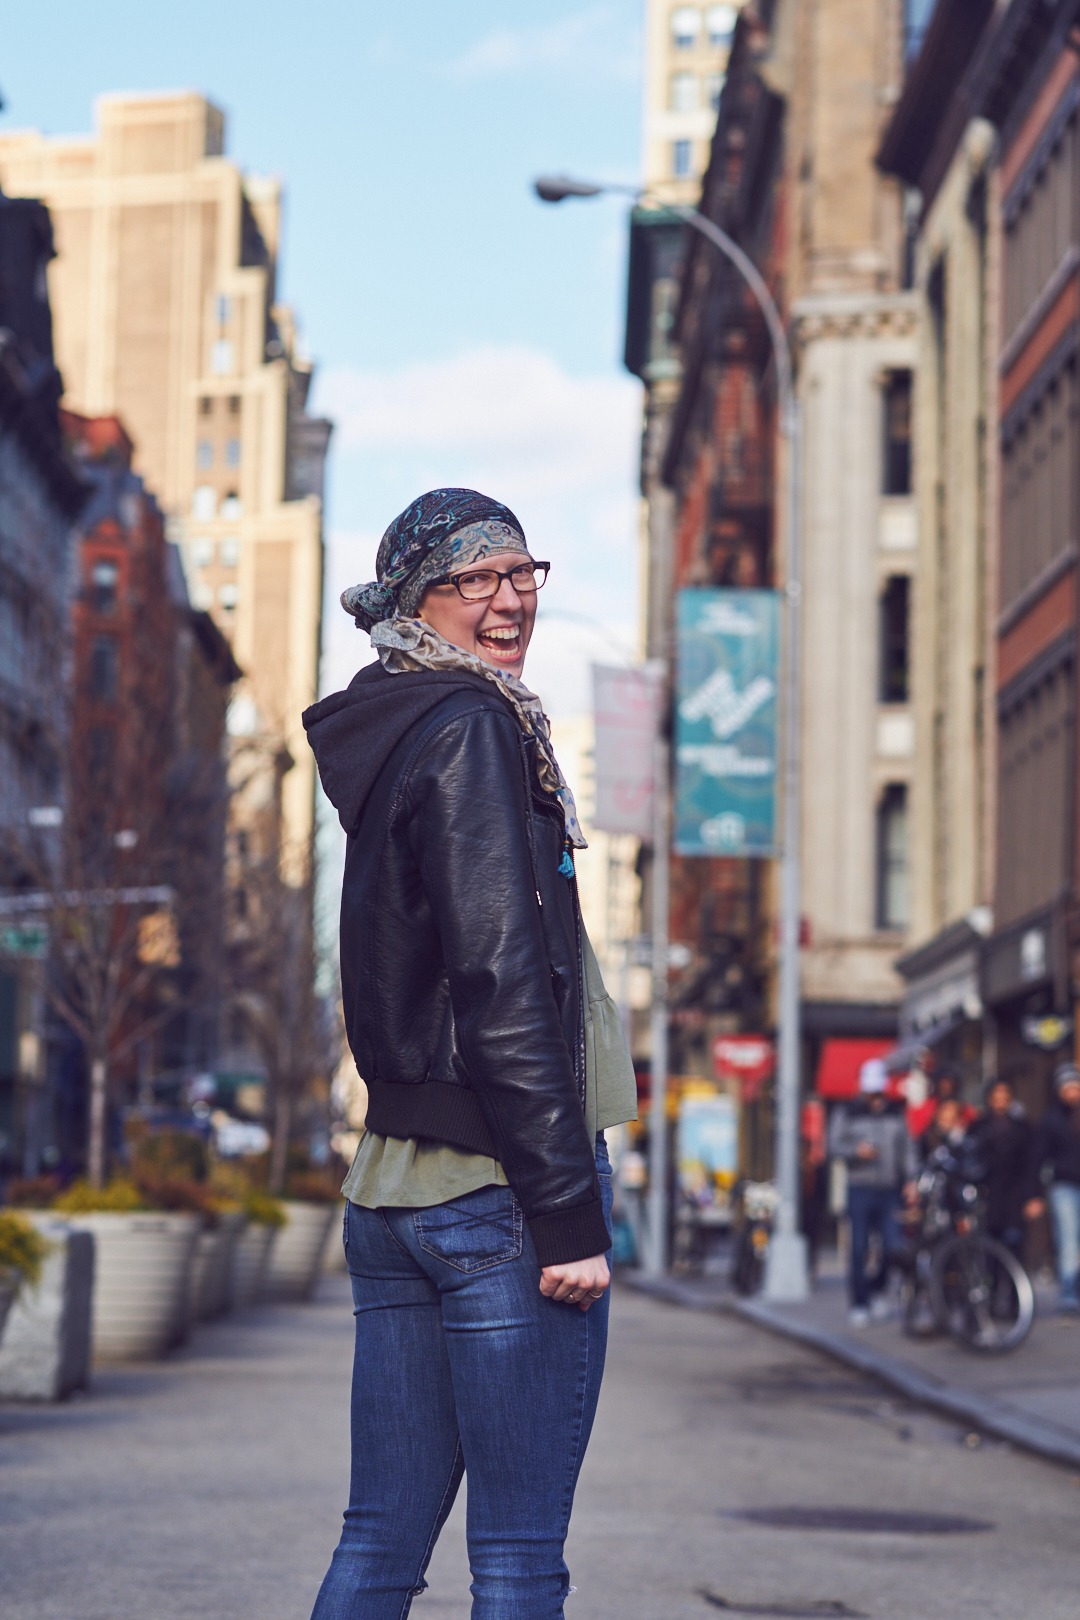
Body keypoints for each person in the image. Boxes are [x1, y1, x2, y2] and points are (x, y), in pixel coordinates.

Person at [302, 489, 638, 1619]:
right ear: (415, 602)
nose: (506, 601)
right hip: (499, 1193)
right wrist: (567, 1214)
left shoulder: (398, 726)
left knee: (378, 1539)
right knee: (517, 1555)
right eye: (472, 580)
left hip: (394, 1189)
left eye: (520, 574)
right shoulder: (476, 725)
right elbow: (499, 978)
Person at [828, 1060, 917, 1326]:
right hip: (860, 1187)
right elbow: (833, 1145)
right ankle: (859, 1301)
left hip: (890, 1189)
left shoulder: (895, 1112)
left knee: (893, 1246)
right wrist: (857, 1151)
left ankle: (878, 1289)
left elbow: (907, 1148)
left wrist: (911, 1178)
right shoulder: (848, 1112)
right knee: (859, 1248)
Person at [1026, 1063, 1080, 1315]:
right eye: (1068, 1086)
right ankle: (1068, 1292)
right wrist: (1034, 1194)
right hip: (1064, 1186)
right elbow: (1037, 1158)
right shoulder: (1051, 1119)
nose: (1072, 1091)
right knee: (1068, 1240)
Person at [964, 1078, 1034, 1258]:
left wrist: (1032, 1195)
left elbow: (1030, 1163)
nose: (1001, 1099)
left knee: (1014, 1243)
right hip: (987, 1193)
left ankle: (1013, 1285)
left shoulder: (1021, 1127)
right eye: (997, 1095)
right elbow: (970, 1159)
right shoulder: (978, 1127)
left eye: (1005, 1095)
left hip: (1013, 1194)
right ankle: (992, 1284)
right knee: (989, 1245)